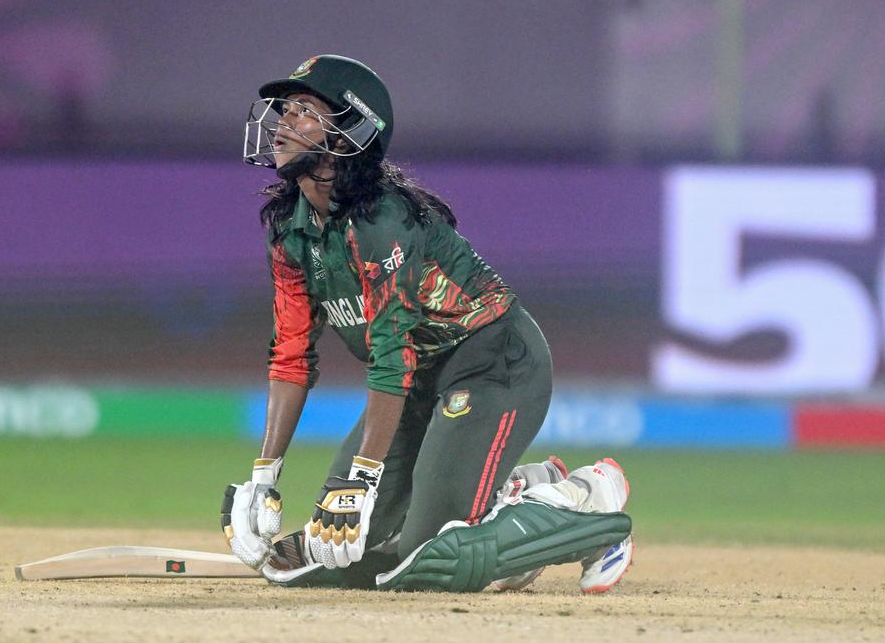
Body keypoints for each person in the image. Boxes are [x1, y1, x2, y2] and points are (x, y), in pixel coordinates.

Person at [220, 54, 633, 593]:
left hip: (493, 366)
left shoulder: (381, 222)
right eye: (285, 108)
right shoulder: (290, 230)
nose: (282, 122)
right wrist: (263, 478)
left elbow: (393, 354)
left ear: (349, 135)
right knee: (328, 561)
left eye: (304, 110)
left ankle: (588, 508)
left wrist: (362, 479)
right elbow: (292, 355)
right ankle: (506, 495)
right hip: (413, 387)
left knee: (429, 557)